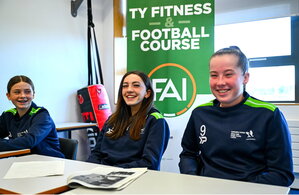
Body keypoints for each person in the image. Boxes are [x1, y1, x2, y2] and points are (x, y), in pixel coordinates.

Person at [179, 46, 294, 186]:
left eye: (228, 74)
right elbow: (188, 154)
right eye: (214, 75)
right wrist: (193, 179)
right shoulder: (200, 113)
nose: (220, 82)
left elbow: (282, 174)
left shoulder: (268, 114)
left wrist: (238, 188)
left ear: (245, 77)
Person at [87, 70, 170, 170]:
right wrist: (89, 170)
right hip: (103, 175)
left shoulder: (156, 121)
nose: (129, 90)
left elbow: (149, 163)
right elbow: (96, 153)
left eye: (136, 85)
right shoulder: (112, 119)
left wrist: (112, 171)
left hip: (134, 179)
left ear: (147, 93)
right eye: (125, 86)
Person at [0, 75, 64, 158]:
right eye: (17, 92)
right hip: (24, 163)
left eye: (27, 92)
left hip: (50, 163)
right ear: (8, 96)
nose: (22, 96)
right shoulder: (8, 115)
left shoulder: (42, 115)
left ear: (33, 94)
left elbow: (29, 141)